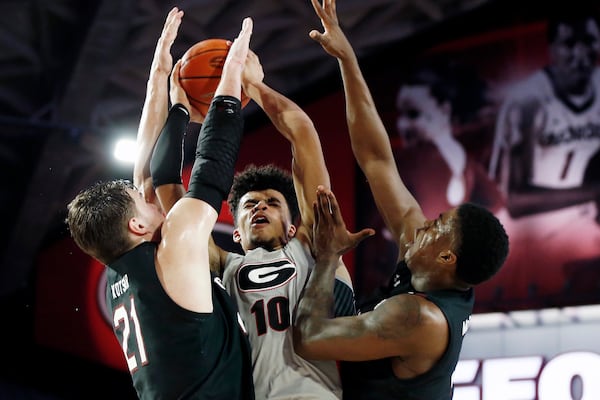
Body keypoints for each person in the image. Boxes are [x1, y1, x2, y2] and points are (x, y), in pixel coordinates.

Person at [292, 1, 509, 399]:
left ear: (447, 258)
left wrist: (327, 259)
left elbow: (309, 337)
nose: (426, 224)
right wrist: (348, 60)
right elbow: (377, 160)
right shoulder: (427, 257)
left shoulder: (419, 318)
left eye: (438, 227)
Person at [65, 9, 255, 399]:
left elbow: (146, 175)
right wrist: (232, 73)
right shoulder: (173, 252)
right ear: (136, 226)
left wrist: (161, 83)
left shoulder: (126, 274)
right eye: (143, 203)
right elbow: (212, 164)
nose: (151, 199)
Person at [150, 50, 355, 399]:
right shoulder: (224, 264)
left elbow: (302, 132)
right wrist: (179, 108)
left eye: (273, 203)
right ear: (237, 232)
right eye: (249, 205)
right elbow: (166, 183)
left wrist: (254, 85)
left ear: (293, 227)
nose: (260, 206)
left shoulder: (310, 247)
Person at [487, 3, 600, 305]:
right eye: (569, 44)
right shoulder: (527, 102)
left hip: (584, 230)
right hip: (531, 240)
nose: (581, 54)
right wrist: (591, 191)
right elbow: (516, 201)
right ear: (552, 48)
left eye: (589, 41)